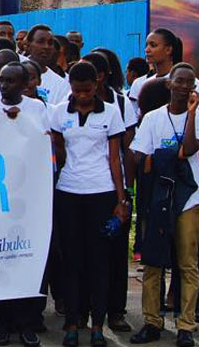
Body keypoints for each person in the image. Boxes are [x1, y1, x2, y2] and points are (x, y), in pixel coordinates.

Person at [49, 61, 129, 347]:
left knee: (99, 262)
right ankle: (72, 322)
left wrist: (121, 200)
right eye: (78, 90)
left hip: (101, 191)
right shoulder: (58, 112)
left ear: (96, 85)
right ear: (70, 87)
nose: (83, 96)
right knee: (71, 260)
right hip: (68, 191)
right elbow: (58, 151)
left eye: (88, 90)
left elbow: (115, 159)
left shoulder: (110, 112)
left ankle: (97, 325)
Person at [130, 64, 199, 347]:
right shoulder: (152, 119)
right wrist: (170, 156)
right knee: (154, 263)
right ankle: (152, 321)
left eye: (189, 83)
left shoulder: (197, 115)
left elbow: (191, 148)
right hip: (159, 197)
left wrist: (192, 113)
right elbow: (142, 157)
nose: (184, 87)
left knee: (187, 264)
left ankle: (186, 324)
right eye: (179, 81)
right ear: (169, 84)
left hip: (191, 198)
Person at [0, 62, 47, 347]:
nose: (4, 86)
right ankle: (3, 322)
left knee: (29, 258)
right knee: (2, 259)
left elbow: (44, 144)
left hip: (31, 195)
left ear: (24, 84)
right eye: (0, 80)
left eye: (10, 81)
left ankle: (28, 323)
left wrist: (22, 122)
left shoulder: (37, 109)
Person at [128, 29, 183, 118]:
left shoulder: (187, 83)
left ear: (168, 49)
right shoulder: (139, 83)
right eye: (146, 45)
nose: (147, 50)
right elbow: (133, 117)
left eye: (153, 45)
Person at [25, 25, 71, 105]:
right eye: (40, 42)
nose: (46, 47)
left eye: (50, 43)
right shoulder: (12, 73)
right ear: (28, 45)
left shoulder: (61, 85)